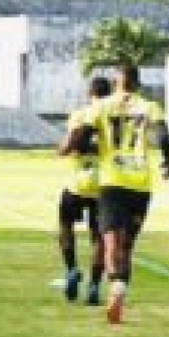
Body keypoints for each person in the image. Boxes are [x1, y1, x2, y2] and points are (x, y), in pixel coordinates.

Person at [78, 63, 169, 325]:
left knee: (111, 244)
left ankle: (116, 287)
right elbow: (164, 138)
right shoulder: (150, 107)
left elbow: (83, 137)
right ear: (137, 83)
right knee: (127, 246)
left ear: (117, 82)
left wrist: (91, 147)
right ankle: (121, 292)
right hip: (140, 184)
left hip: (112, 182)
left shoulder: (101, 106)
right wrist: (168, 162)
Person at [57, 77, 112, 306]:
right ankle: (94, 286)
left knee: (65, 224)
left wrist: (63, 148)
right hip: (104, 185)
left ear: (90, 95)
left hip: (78, 183)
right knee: (98, 236)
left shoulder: (81, 116)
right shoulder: (112, 118)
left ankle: (71, 270)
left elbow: (68, 147)